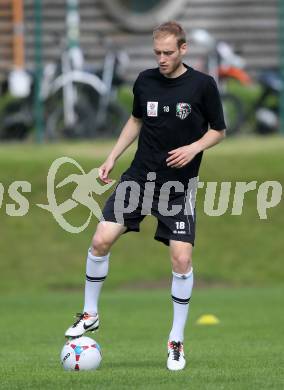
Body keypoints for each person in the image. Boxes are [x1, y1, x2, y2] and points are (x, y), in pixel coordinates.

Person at [65, 21, 226, 371]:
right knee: (100, 239)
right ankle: (90, 313)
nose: (163, 59)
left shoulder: (203, 85)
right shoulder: (145, 81)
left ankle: (176, 340)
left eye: (169, 53)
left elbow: (218, 130)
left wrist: (194, 147)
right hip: (139, 178)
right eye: (158, 53)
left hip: (178, 186)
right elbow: (136, 121)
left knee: (181, 260)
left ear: (183, 49)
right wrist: (111, 157)